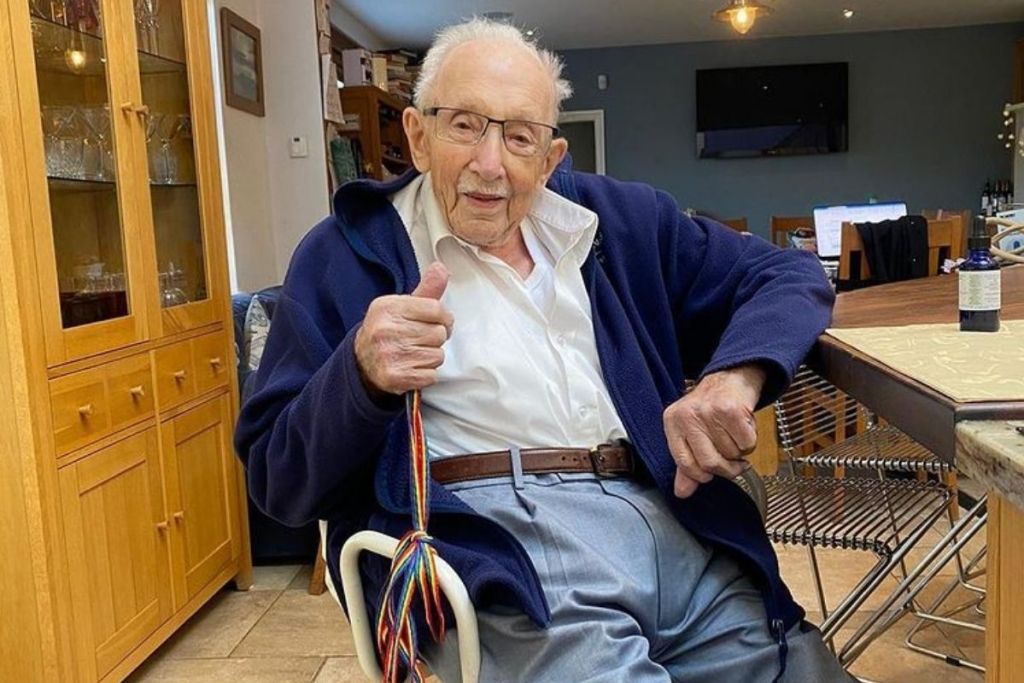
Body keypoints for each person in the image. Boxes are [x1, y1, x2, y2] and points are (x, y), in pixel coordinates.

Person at [235, 17, 849, 683]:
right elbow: (277, 482)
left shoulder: (619, 222)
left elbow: (789, 275)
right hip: (497, 545)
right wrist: (357, 377)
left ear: (551, 158)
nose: (489, 164)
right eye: (464, 124)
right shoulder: (342, 256)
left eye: (519, 136)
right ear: (417, 136)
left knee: (803, 670)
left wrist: (732, 379)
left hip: (666, 511)